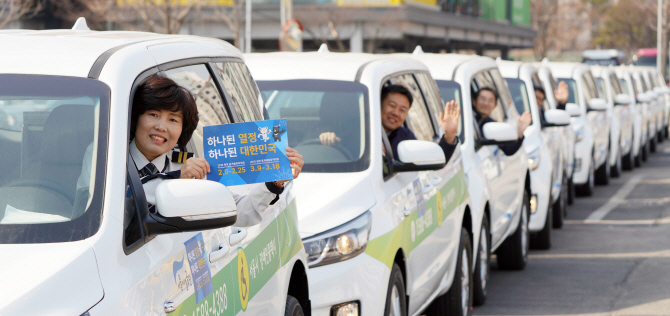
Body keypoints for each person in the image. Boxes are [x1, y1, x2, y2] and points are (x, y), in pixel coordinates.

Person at [127, 74, 304, 227]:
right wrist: (176, 180)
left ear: (183, 129)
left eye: (173, 120)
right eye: (153, 115)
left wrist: (275, 182)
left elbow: (240, 212)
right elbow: (122, 203)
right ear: (136, 118)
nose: (161, 127)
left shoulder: (190, 168)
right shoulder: (107, 159)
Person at [319, 84, 462, 164]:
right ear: (378, 104)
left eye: (402, 110)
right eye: (392, 105)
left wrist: (449, 135)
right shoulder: (353, 129)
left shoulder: (406, 137)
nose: (396, 113)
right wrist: (328, 140)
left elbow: (436, 160)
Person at [472, 86, 531, 156]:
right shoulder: (468, 119)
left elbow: (508, 149)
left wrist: (520, 132)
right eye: (483, 99)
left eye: (490, 101)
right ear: (474, 101)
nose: (486, 103)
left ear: (495, 106)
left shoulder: (493, 125)